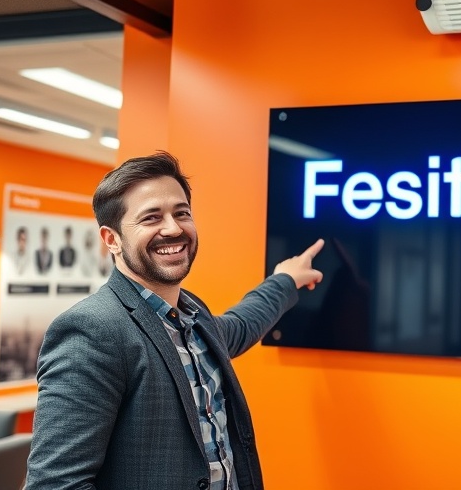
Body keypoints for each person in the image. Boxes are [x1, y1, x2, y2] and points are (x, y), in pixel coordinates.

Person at [26, 151, 324, 490]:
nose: (173, 228)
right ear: (112, 240)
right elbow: (54, 484)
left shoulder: (192, 315)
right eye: (151, 218)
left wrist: (285, 279)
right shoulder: (93, 330)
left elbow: (240, 326)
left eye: (182, 213)